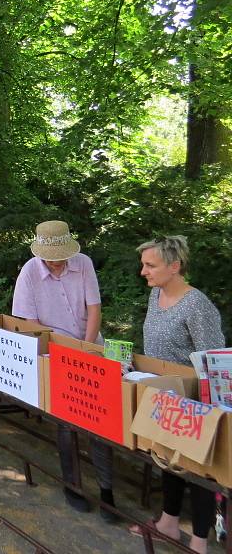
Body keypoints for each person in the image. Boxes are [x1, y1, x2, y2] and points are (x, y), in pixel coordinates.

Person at [11, 220, 115, 520]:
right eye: (51, 257)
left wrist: (88, 347)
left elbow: (94, 308)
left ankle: (107, 491)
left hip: (91, 346)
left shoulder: (83, 264)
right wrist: (61, 352)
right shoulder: (30, 272)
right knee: (66, 422)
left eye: (61, 256)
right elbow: (29, 324)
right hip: (55, 351)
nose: (56, 262)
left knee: (100, 420)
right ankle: (73, 485)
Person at [129, 236, 225, 553]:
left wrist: (208, 407)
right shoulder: (155, 295)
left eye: (150, 265)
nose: (144, 271)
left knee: (198, 471)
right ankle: (168, 524)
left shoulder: (197, 305)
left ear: (175, 266)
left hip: (196, 401)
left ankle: (199, 543)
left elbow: (214, 360)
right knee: (168, 460)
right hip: (164, 395)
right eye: (144, 264)